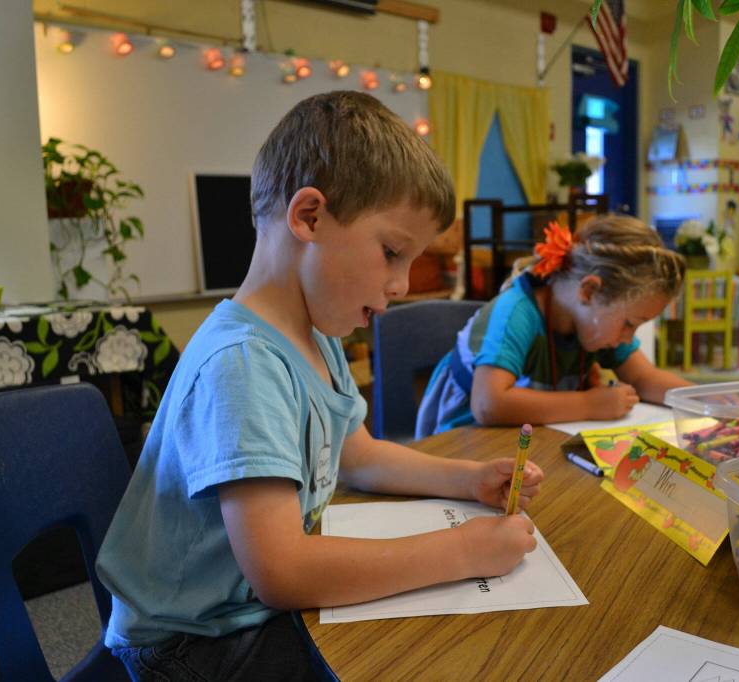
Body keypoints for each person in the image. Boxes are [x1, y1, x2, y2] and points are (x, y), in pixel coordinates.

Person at [96, 91, 543, 681]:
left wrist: (470, 478)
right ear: (308, 217)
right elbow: (283, 572)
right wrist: (463, 552)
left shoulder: (312, 330)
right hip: (192, 645)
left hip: (243, 613)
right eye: (391, 253)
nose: (403, 284)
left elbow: (355, 455)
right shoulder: (243, 364)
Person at [416, 215, 693, 438]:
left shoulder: (594, 324)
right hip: (466, 442)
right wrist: (590, 404)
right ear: (588, 292)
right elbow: (489, 404)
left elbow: (644, 379)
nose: (627, 338)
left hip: (529, 439)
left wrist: (708, 401)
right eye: (630, 323)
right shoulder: (515, 312)